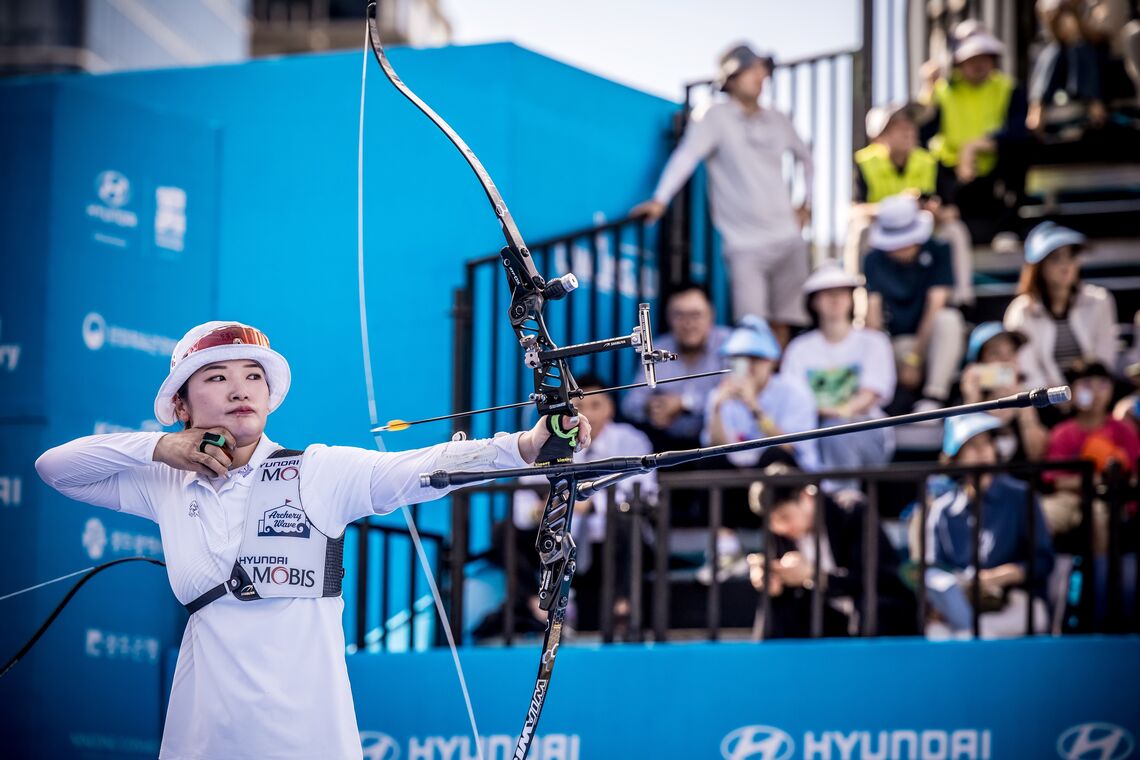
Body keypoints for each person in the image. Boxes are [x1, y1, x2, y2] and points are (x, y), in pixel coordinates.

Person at [34, 321, 593, 760]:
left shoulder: (317, 471)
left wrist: (526, 444)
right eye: (216, 377)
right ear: (181, 404)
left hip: (309, 739)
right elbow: (55, 466)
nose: (239, 389)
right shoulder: (165, 481)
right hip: (204, 738)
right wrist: (163, 449)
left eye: (253, 376)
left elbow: (422, 467)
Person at [631, 43, 813, 342]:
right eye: (749, 69)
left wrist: (806, 204)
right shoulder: (714, 116)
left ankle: (773, 387)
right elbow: (685, 157)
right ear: (730, 80)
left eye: (760, 68)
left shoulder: (779, 119)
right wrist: (660, 200)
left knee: (785, 324)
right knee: (753, 328)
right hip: (744, 244)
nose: (759, 75)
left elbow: (807, 158)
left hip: (788, 237)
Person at [485, 374, 657, 635]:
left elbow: (644, 493)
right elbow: (523, 505)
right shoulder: (547, 441)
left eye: (596, 406)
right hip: (558, 537)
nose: (588, 414)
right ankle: (537, 605)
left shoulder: (631, 440)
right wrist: (541, 510)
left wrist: (587, 504)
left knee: (627, 525)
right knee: (504, 531)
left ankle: (622, 608)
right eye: (579, 408)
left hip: (606, 540)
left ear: (610, 407)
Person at [919, 414, 1055, 638]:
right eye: (971, 445)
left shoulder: (1021, 496)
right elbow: (934, 569)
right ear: (956, 456)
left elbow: (1043, 561)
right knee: (938, 633)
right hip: (961, 605)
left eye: (986, 443)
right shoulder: (942, 509)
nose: (981, 451)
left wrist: (1002, 576)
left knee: (976, 633)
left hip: (1017, 601)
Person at [746, 464, 918, 638]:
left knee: (868, 608)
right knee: (772, 607)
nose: (780, 527)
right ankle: (764, 663)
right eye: (772, 522)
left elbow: (874, 578)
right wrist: (772, 581)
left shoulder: (851, 510)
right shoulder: (781, 532)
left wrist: (812, 575)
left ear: (807, 497)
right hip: (825, 612)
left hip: (874, 606)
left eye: (785, 517)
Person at [781, 263, 896, 492]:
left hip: (866, 431)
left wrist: (837, 414)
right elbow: (793, 400)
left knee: (838, 433)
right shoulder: (798, 348)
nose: (835, 299)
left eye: (842, 292)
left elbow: (870, 395)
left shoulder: (874, 342)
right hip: (812, 435)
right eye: (826, 293)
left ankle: (843, 500)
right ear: (813, 301)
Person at [849, 103, 974, 306]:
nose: (908, 131)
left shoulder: (929, 161)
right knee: (861, 228)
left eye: (911, 125)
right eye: (899, 126)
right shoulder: (864, 162)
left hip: (921, 233)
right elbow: (854, 210)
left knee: (955, 230)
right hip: (884, 233)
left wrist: (936, 211)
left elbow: (952, 211)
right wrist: (897, 207)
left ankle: (961, 300)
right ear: (880, 135)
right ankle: (858, 301)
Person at [920, 28, 1030, 243]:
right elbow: (922, 133)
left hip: (993, 169)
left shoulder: (1008, 88)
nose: (979, 65)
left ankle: (1007, 228)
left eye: (985, 58)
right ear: (958, 62)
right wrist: (927, 89)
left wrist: (975, 146)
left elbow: (1018, 131)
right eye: (972, 59)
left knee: (1021, 150)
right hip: (952, 173)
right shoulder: (942, 91)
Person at [863, 194, 965, 409]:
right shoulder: (873, 260)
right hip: (897, 344)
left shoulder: (939, 249)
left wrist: (915, 359)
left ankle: (934, 397)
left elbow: (935, 305)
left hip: (929, 343)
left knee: (948, 320)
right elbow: (873, 316)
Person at [1003, 221, 1118, 397]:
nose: (1065, 266)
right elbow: (1027, 371)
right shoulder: (1021, 311)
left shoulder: (1100, 300)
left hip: (1096, 399)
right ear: (1038, 267)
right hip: (1044, 403)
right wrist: (1058, 395)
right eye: (1055, 258)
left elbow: (1104, 358)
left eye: (1071, 256)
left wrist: (1088, 391)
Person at [621, 284, 730, 451]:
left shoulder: (729, 345)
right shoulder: (657, 348)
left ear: (711, 315)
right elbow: (630, 404)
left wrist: (684, 403)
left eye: (696, 315)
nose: (688, 324)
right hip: (667, 443)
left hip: (716, 443)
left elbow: (734, 398)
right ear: (668, 318)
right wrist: (650, 407)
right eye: (679, 315)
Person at [703, 315, 819, 472]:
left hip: (786, 478)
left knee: (774, 455)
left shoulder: (795, 392)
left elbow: (790, 448)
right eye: (739, 359)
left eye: (755, 359)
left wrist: (754, 407)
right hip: (738, 477)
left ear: (771, 361)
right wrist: (717, 409)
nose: (748, 367)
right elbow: (716, 449)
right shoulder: (720, 394)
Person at [1041, 360, 1139, 545]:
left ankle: (1100, 573)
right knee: (1040, 515)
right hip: (1067, 500)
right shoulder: (1062, 433)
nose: (1095, 393)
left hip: (1109, 500)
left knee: (1099, 518)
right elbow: (1057, 481)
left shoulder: (1124, 430)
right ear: (1071, 391)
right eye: (1086, 385)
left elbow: (1132, 475)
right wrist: (1096, 478)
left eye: (1102, 385)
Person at [955, 322, 1049, 464]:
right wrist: (972, 401)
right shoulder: (960, 403)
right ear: (979, 363)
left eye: (1011, 352)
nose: (1006, 360)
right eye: (995, 353)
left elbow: (1037, 455)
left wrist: (1024, 406)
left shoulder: (1034, 398)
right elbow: (971, 458)